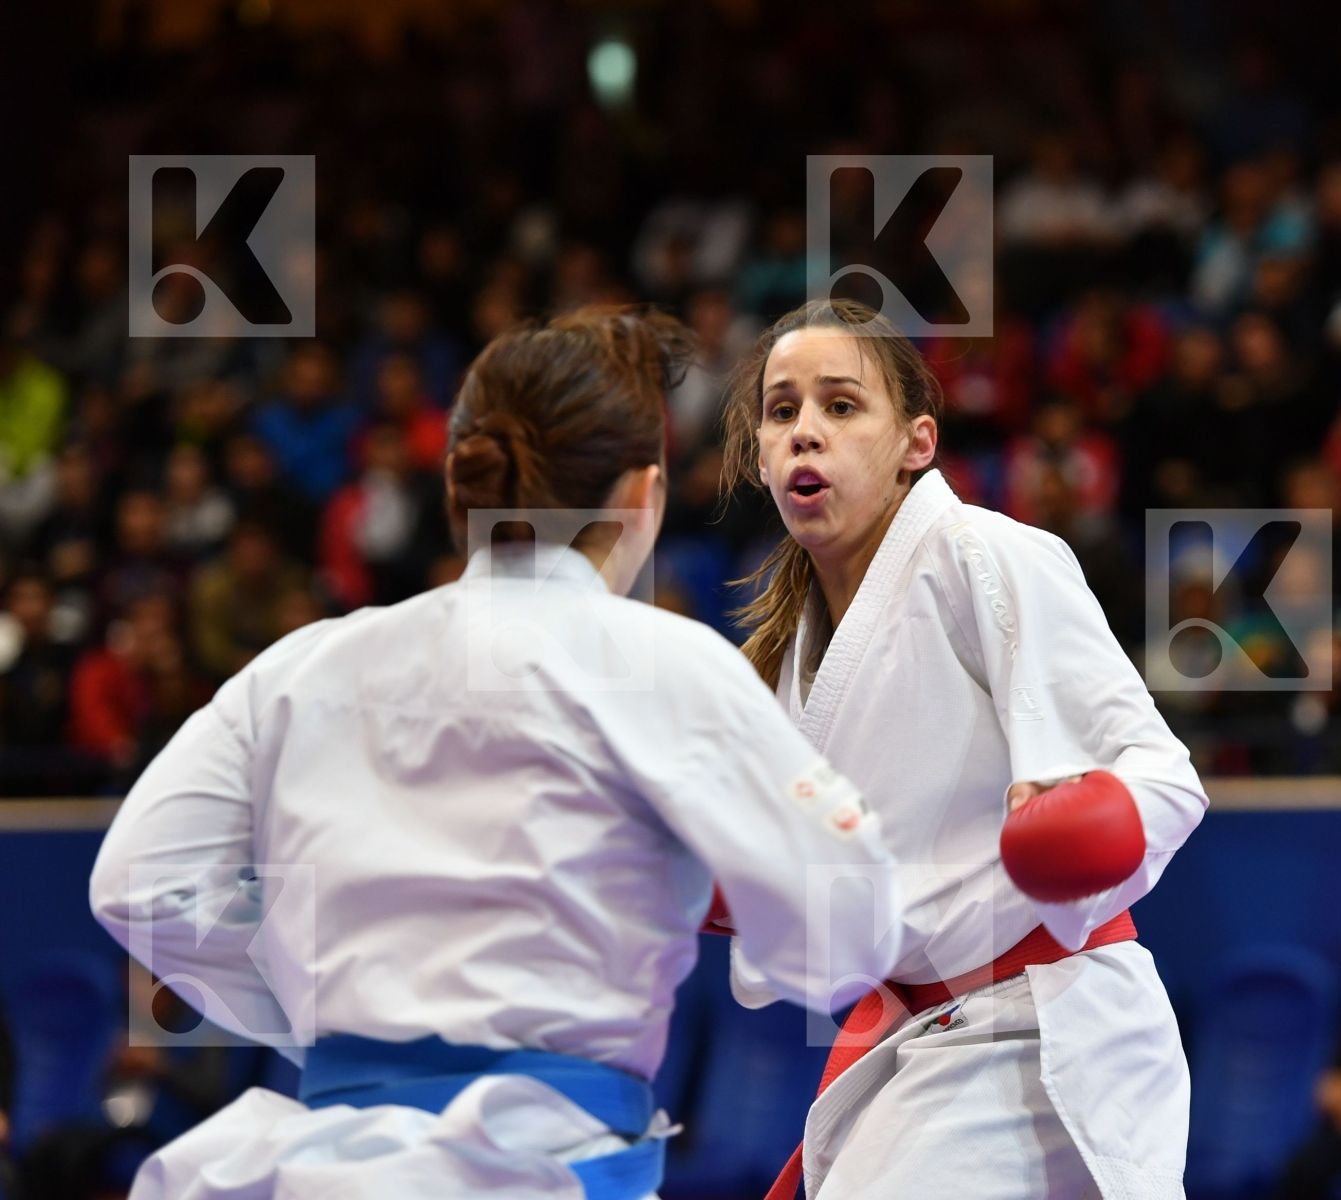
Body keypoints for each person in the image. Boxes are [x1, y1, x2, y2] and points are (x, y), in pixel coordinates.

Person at [90, 306, 905, 1200]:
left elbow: (137, 883)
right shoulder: (658, 663)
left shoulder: (304, 664)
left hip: (316, 1161)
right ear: (643, 494)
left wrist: (328, 1009)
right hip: (541, 1166)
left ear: (458, 484)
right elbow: (848, 928)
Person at [719, 299, 1208, 1199]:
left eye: (840, 405)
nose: (805, 434)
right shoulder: (785, 658)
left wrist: (1099, 824)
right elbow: (837, 929)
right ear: (758, 454)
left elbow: (1163, 775)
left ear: (917, 441)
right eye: (782, 412)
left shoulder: (986, 553)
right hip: (923, 1036)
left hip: (1039, 1024)